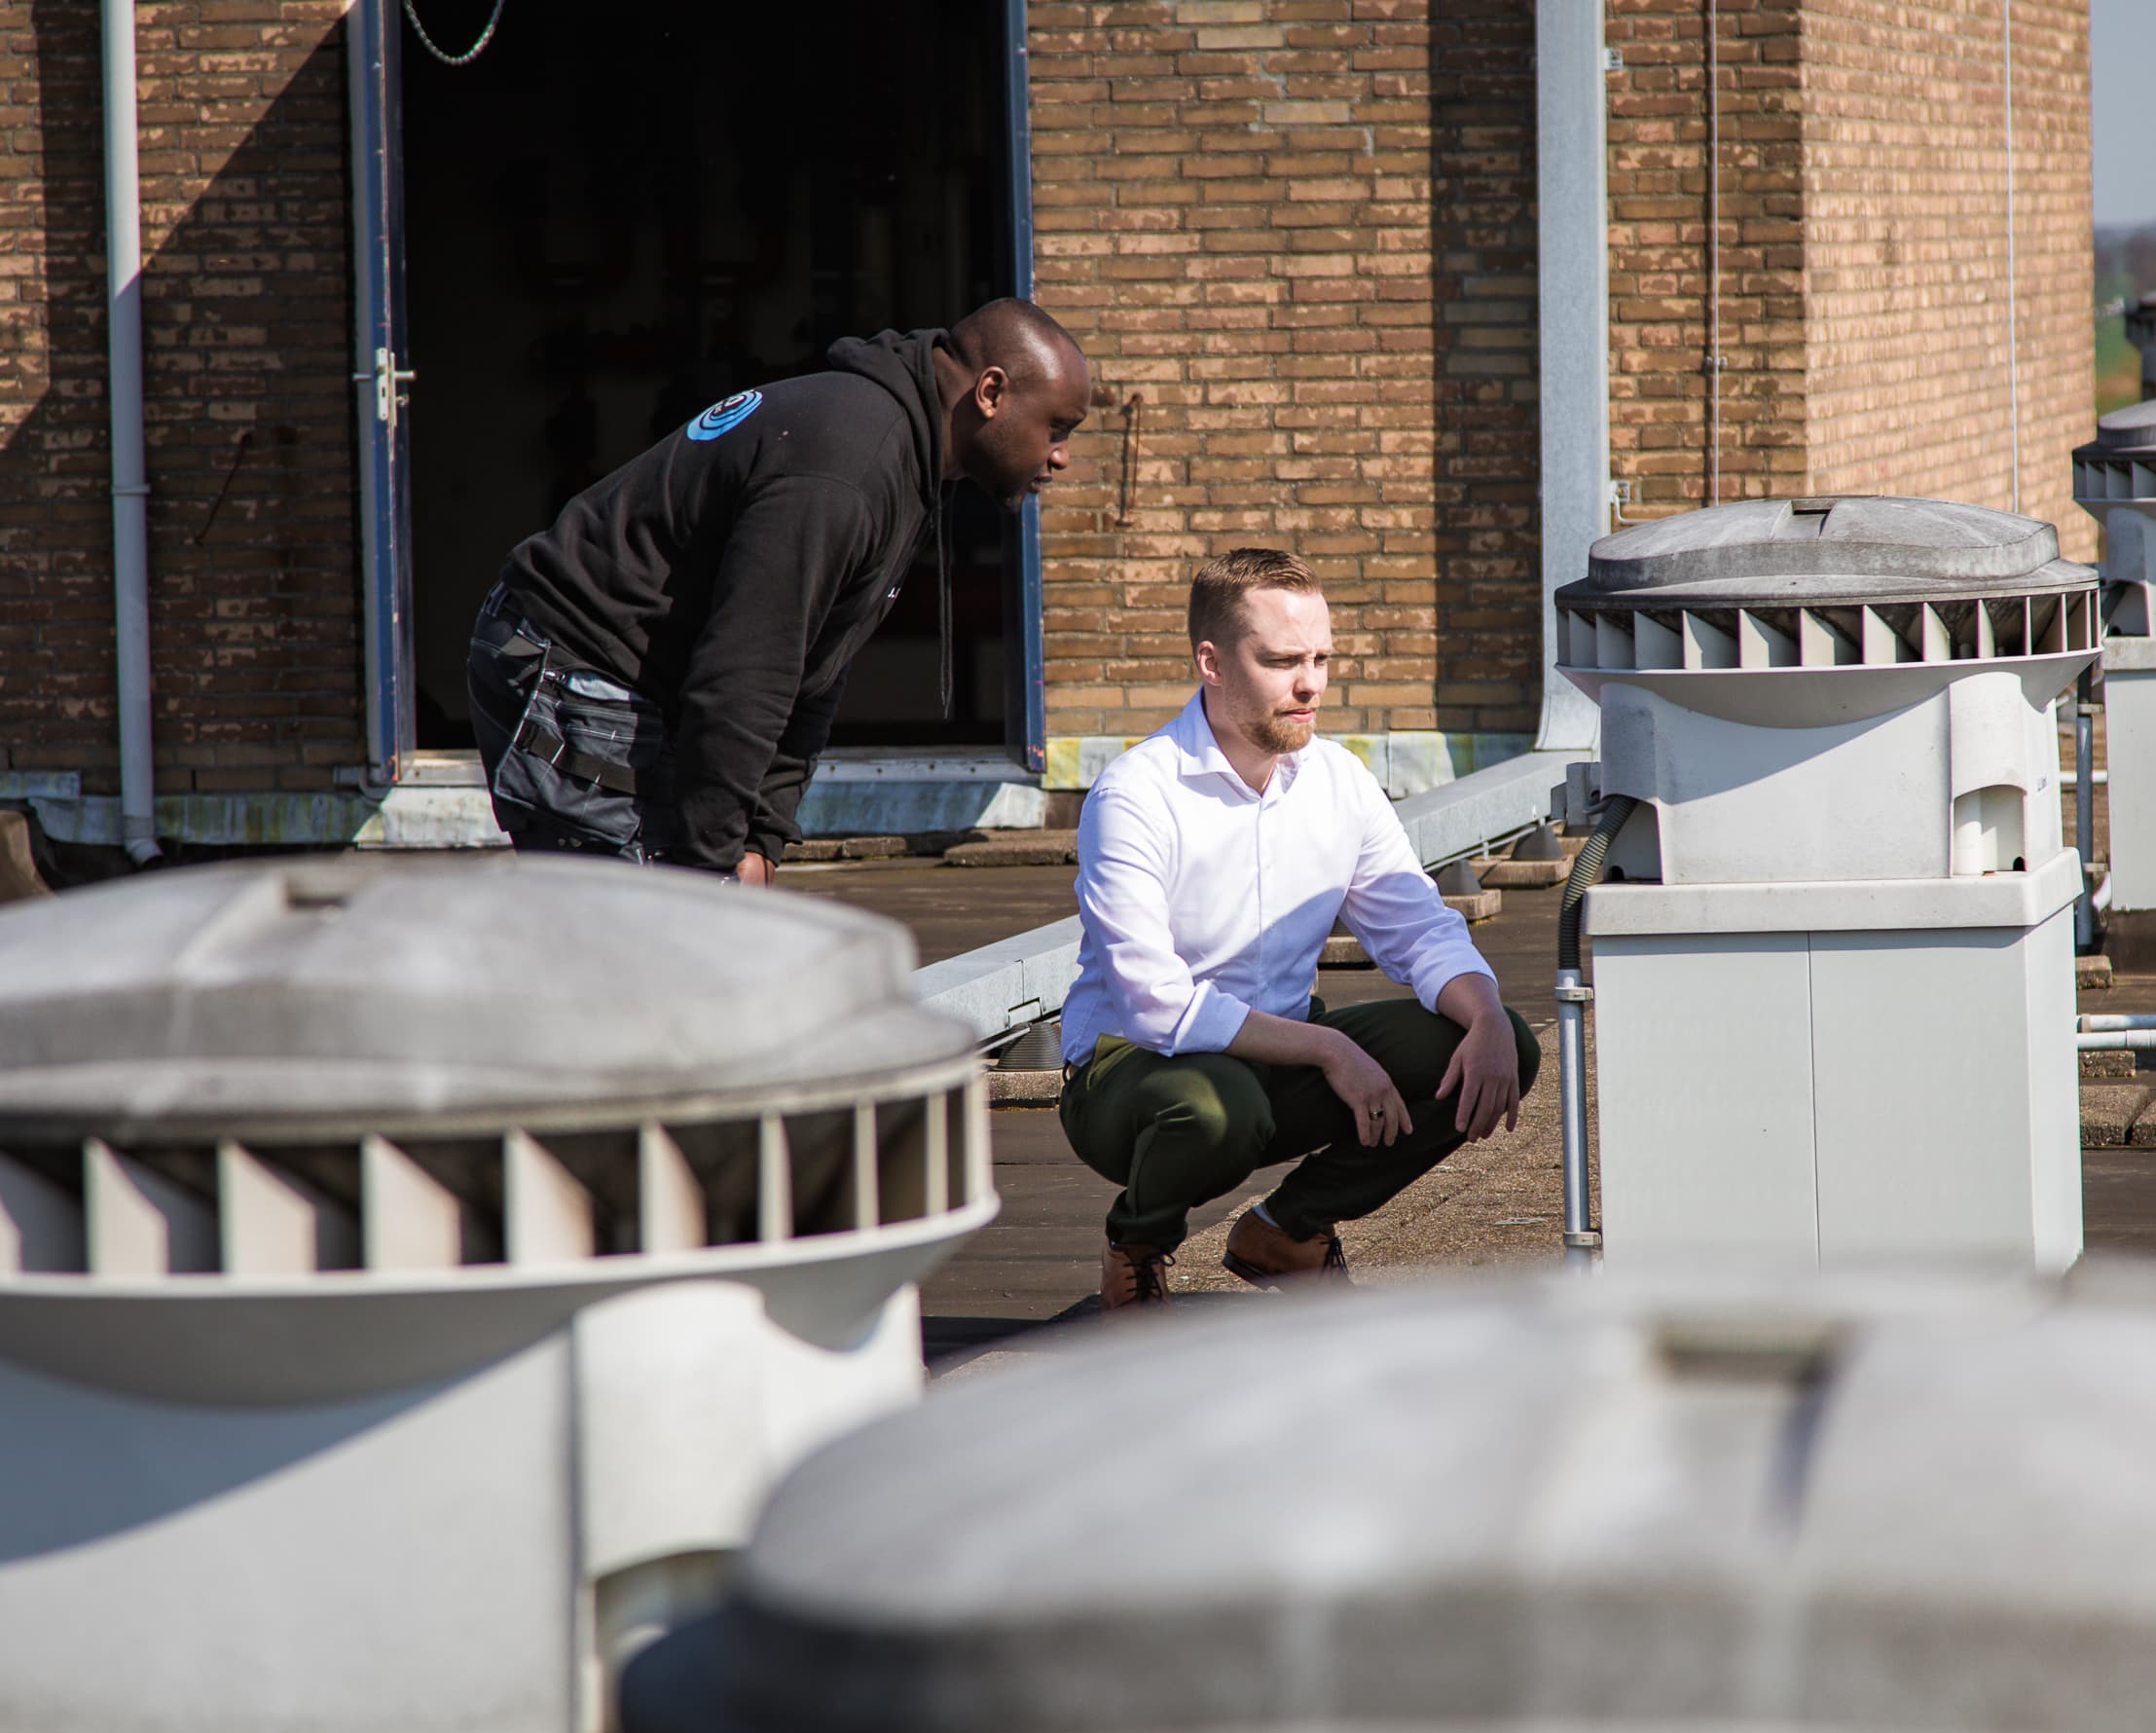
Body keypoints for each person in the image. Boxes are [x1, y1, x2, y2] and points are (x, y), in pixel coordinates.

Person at [1059, 547, 1543, 1308]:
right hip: (1131, 1074)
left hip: (1277, 1057)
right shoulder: (1134, 795)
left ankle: (1287, 1229)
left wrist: (1481, 1011)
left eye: (1320, 657)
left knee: (1497, 1044)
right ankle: (1138, 1244)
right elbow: (1154, 1003)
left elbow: (1417, 928)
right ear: (1211, 662)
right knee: (1219, 1109)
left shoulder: (1338, 779)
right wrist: (1329, 1048)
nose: (1311, 683)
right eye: (1283, 660)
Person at [467, 299, 1090, 879]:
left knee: (680, 929)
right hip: (570, 658)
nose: (1061, 456)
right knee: (651, 938)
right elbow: (746, 671)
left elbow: (815, 663)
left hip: (644, 676)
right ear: (991, 392)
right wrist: (714, 861)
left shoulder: (905, 464)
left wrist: (761, 836)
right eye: (1057, 428)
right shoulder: (850, 466)